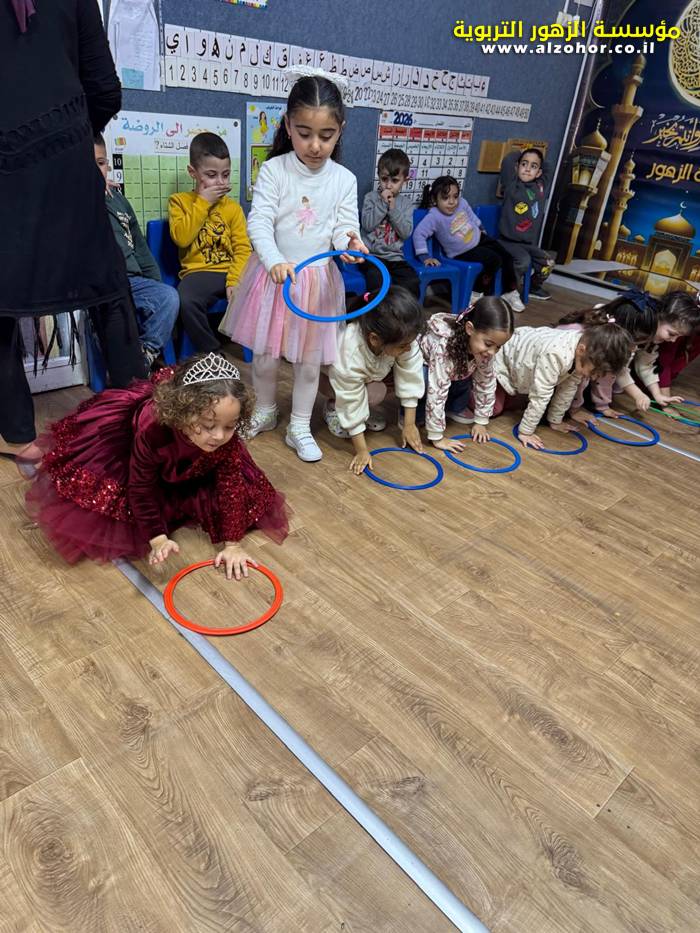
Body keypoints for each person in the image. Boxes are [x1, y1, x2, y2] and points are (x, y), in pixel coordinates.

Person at [0, 0, 146, 476]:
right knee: (108, 288)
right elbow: (103, 88)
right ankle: (139, 421)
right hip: (65, 149)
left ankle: (17, 435)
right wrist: (72, 138)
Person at [26, 353, 288, 577]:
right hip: (142, 457)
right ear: (184, 413)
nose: (219, 436)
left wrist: (233, 545)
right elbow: (140, 488)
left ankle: (198, 453)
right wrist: (158, 538)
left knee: (247, 495)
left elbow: (230, 486)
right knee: (106, 504)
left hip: (193, 463)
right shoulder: (152, 429)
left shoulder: (224, 442)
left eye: (230, 426)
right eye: (208, 426)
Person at [219, 72, 368, 463]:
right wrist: (274, 261)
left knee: (309, 361)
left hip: (317, 285)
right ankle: (266, 410)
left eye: (326, 135)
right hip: (274, 278)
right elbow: (259, 223)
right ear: (287, 126)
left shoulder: (344, 179)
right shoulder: (274, 170)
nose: (315, 145)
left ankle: (299, 425)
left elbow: (343, 227)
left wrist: (350, 245)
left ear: (340, 130)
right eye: (304, 134)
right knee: (265, 356)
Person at [94, 134, 179, 369]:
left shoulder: (118, 199)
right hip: (103, 286)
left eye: (100, 163)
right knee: (109, 319)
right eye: (88, 165)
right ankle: (123, 361)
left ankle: (145, 354)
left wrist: (155, 283)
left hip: (133, 281)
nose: (96, 171)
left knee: (168, 297)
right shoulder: (75, 201)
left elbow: (140, 247)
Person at [321, 287, 424, 474]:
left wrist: (409, 424)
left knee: (380, 389)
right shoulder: (350, 351)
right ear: (375, 339)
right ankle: (332, 406)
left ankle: (365, 411)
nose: (409, 348)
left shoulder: (403, 336)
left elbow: (411, 375)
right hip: (326, 378)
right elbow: (350, 399)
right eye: (403, 346)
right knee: (370, 393)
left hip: (370, 373)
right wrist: (362, 450)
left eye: (410, 343)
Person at [168, 132, 251, 353]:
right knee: (186, 299)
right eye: (211, 175)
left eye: (226, 174)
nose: (220, 182)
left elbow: (243, 249)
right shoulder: (179, 202)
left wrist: (234, 280)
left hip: (230, 271)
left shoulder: (233, 208)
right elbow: (182, 238)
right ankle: (213, 353)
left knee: (260, 285)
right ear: (193, 173)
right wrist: (203, 202)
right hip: (197, 273)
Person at [493, 322, 633, 449]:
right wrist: (525, 432)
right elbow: (541, 395)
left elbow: (568, 388)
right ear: (581, 350)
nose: (594, 377)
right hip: (502, 360)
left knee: (523, 403)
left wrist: (555, 421)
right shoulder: (556, 354)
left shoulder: (583, 351)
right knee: (495, 409)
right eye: (594, 372)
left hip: (523, 365)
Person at [413, 175, 524, 312]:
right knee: (493, 260)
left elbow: (472, 218)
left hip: (480, 239)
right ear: (435, 200)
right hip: (461, 252)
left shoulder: (462, 203)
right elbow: (419, 234)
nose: (452, 202)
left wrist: (482, 230)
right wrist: (425, 257)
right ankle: (476, 293)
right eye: (445, 198)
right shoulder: (433, 217)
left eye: (455, 196)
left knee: (507, 256)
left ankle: (509, 292)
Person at [418, 296, 513, 451]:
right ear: (470, 329)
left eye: (498, 347)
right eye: (488, 344)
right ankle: (412, 413)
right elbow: (437, 391)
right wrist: (437, 437)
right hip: (424, 370)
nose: (492, 352)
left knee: (468, 370)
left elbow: (486, 381)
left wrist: (481, 421)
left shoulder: (485, 350)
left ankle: (454, 407)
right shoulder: (444, 346)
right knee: (428, 380)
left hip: (453, 371)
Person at [557, 293, 657, 421]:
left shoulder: (613, 338)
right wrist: (574, 409)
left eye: (639, 342)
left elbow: (612, 373)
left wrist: (603, 406)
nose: (634, 347)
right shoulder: (591, 342)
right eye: (634, 340)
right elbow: (579, 378)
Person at [615, 290, 700, 411]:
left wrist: (658, 395)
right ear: (659, 317)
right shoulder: (628, 333)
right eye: (672, 334)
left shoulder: (651, 338)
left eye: (678, 337)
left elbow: (645, 365)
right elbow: (617, 369)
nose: (673, 341)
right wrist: (638, 395)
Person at [360, 148, 420, 297]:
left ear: (405, 180)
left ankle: (402, 311)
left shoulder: (406, 204)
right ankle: (378, 310)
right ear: (379, 176)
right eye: (384, 179)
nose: (388, 185)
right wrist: (382, 204)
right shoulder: (370, 198)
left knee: (412, 282)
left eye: (394, 181)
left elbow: (406, 233)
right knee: (376, 279)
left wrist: (393, 209)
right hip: (371, 256)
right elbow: (367, 225)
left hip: (395, 258)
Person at [497, 148, 555, 301]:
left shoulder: (541, 188)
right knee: (523, 262)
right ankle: (510, 291)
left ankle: (533, 288)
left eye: (533, 166)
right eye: (524, 164)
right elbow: (508, 160)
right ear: (517, 167)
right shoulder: (511, 184)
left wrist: (537, 154)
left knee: (548, 263)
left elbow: (549, 167)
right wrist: (522, 150)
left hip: (529, 244)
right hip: (507, 242)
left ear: (539, 172)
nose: (528, 169)